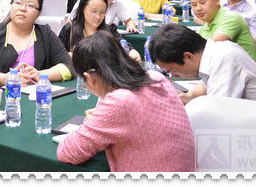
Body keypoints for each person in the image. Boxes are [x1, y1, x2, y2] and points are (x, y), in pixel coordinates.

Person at [56, 31, 196, 172]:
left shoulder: (119, 102)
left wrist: (91, 123)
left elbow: (67, 152)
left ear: (89, 78)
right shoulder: (156, 77)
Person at [149, 24, 256, 113]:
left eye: (173, 71)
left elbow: (216, 114)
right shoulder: (213, 52)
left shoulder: (224, 58)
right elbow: (206, 84)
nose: (175, 76)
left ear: (188, 56)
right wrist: (186, 97)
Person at [0, 0, 73, 86]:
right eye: (18, 3)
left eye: (30, 5)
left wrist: (39, 75)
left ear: (39, 12)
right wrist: (4, 79)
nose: (22, 8)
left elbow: (68, 66)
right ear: (11, 5)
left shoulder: (45, 34)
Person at [60, 0, 140, 61]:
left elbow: (124, 46)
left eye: (102, 12)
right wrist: (67, 56)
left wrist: (132, 52)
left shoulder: (109, 30)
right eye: (93, 11)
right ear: (83, 8)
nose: (98, 17)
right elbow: (57, 54)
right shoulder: (69, 29)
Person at [190, 0, 256, 62]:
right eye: (194, 5)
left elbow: (210, 49)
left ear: (217, 0)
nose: (198, 8)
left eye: (202, 2)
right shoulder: (203, 28)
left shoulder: (231, 18)